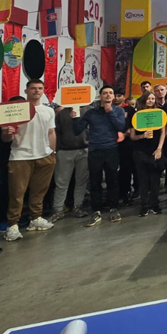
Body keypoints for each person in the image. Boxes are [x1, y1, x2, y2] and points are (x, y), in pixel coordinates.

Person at [1, 80, 57, 241]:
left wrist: (53, 152)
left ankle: (35, 218)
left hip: (45, 156)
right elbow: (5, 138)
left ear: (43, 91)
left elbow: (51, 133)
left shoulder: (48, 111)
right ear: (26, 91)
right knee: (17, 193)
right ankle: (12, 225)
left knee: (39, 191)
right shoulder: (14, 110)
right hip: (20, 157)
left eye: (40, 88)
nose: (36, 91)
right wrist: (8, 133)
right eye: (33, 88)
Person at [72, 85, 128, 227]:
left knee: (112, 180)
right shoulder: (91, 113)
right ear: (100, 96)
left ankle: (113, 208)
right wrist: (75, 118)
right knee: (95, 181)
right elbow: (77, 130)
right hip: (95, 150)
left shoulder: (119, 111)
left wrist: (110, 112)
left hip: (111, 149)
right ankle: (96, 211)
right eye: (105, 93)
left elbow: (121, 127)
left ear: (113, 96)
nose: (108, 95)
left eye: (111, 93)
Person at [51, 98, 90, 221]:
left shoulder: (89, 111)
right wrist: (57, 150)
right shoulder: (61, 114)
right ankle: (58, 209)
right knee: (61, 182)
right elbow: (56, 133)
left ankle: (77, 206)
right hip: (64, 151)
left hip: (85, 149)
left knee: (81, 180)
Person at [129, 93, 166, 217]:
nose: (151, 100)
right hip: (140, 151)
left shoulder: (159, 113)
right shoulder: (136, 115)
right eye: (148, 98)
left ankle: (155, 204)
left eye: (152, 98)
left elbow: (163, 132)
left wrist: (159, 149)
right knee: (143, 179)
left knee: (155, 179)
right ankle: (144, 205)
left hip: (155, 150)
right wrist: (142, 136)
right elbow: (132, 136)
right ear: (144, 100)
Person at [116, 90, 136, 207]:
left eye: (119, 95)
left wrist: (128, 132)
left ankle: (126, 193)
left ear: (124, 97)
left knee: (126, 169)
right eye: (115, 95)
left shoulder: (130, 109)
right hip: (110, 144)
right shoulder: (106, 110)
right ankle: (114, 194)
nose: (116, 98)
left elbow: (134, 125)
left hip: (127, 144)